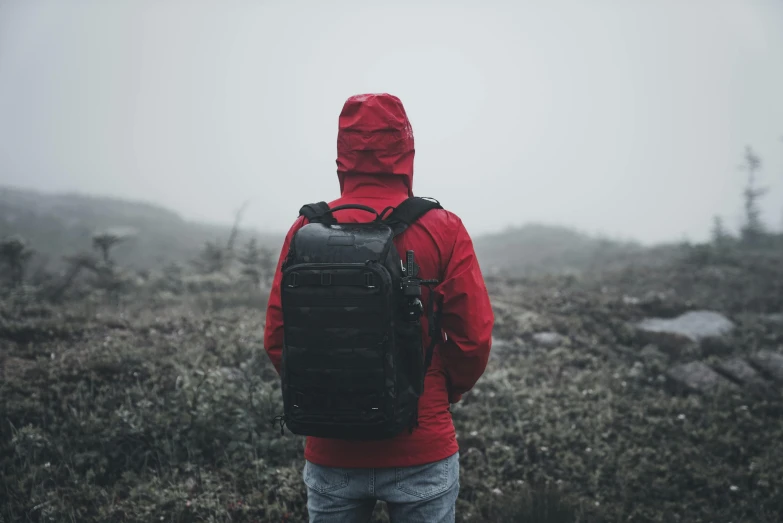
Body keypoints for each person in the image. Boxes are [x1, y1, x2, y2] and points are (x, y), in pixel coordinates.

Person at [263, 93, 493, 523]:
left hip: (332, 447)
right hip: (422, 443)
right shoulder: (442, 228)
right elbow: (472, 338)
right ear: (406, 150)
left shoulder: (306, 229)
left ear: (342, 153)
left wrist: (331, 388)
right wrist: (443, 392)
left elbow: (278, 338)